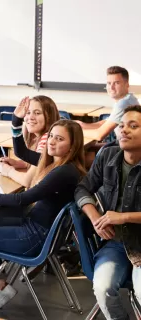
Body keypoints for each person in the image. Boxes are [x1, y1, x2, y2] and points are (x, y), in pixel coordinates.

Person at [0, 120, 86, 308]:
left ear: (72, 146)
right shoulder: (61, 166)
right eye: (51, 136)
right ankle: (1, 284)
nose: (51, 142)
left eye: (59, 139)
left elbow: (23, 199)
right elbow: (22, 152)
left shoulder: (64, 172)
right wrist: (16, 122)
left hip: (35, 237)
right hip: (37, 229)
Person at [75, 105, 141, 320]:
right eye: (121, 125)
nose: (124, 130)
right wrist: (94, 217)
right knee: (103, 288)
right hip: (115, 244)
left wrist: (123, 217)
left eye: (134, 126)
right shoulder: (108, 155)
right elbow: (82, 188)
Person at [0, 96, 60, 187]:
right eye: (28, 112)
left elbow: (27, 181)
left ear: (49, 116)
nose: (31, 117)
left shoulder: (47, 139)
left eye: (37, 113)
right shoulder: (41, 137)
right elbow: (39, 161)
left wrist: (9, 171)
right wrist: (19, 163)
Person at [77, 66, 139, 142]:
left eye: (116, 83)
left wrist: (74, 131)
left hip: (125, 149)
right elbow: (106, 122)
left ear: (127, 85)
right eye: (109, 83)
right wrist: (83, 125)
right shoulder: (129, 98)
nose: (111, 87)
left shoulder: (123, 104)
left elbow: (99, 135)